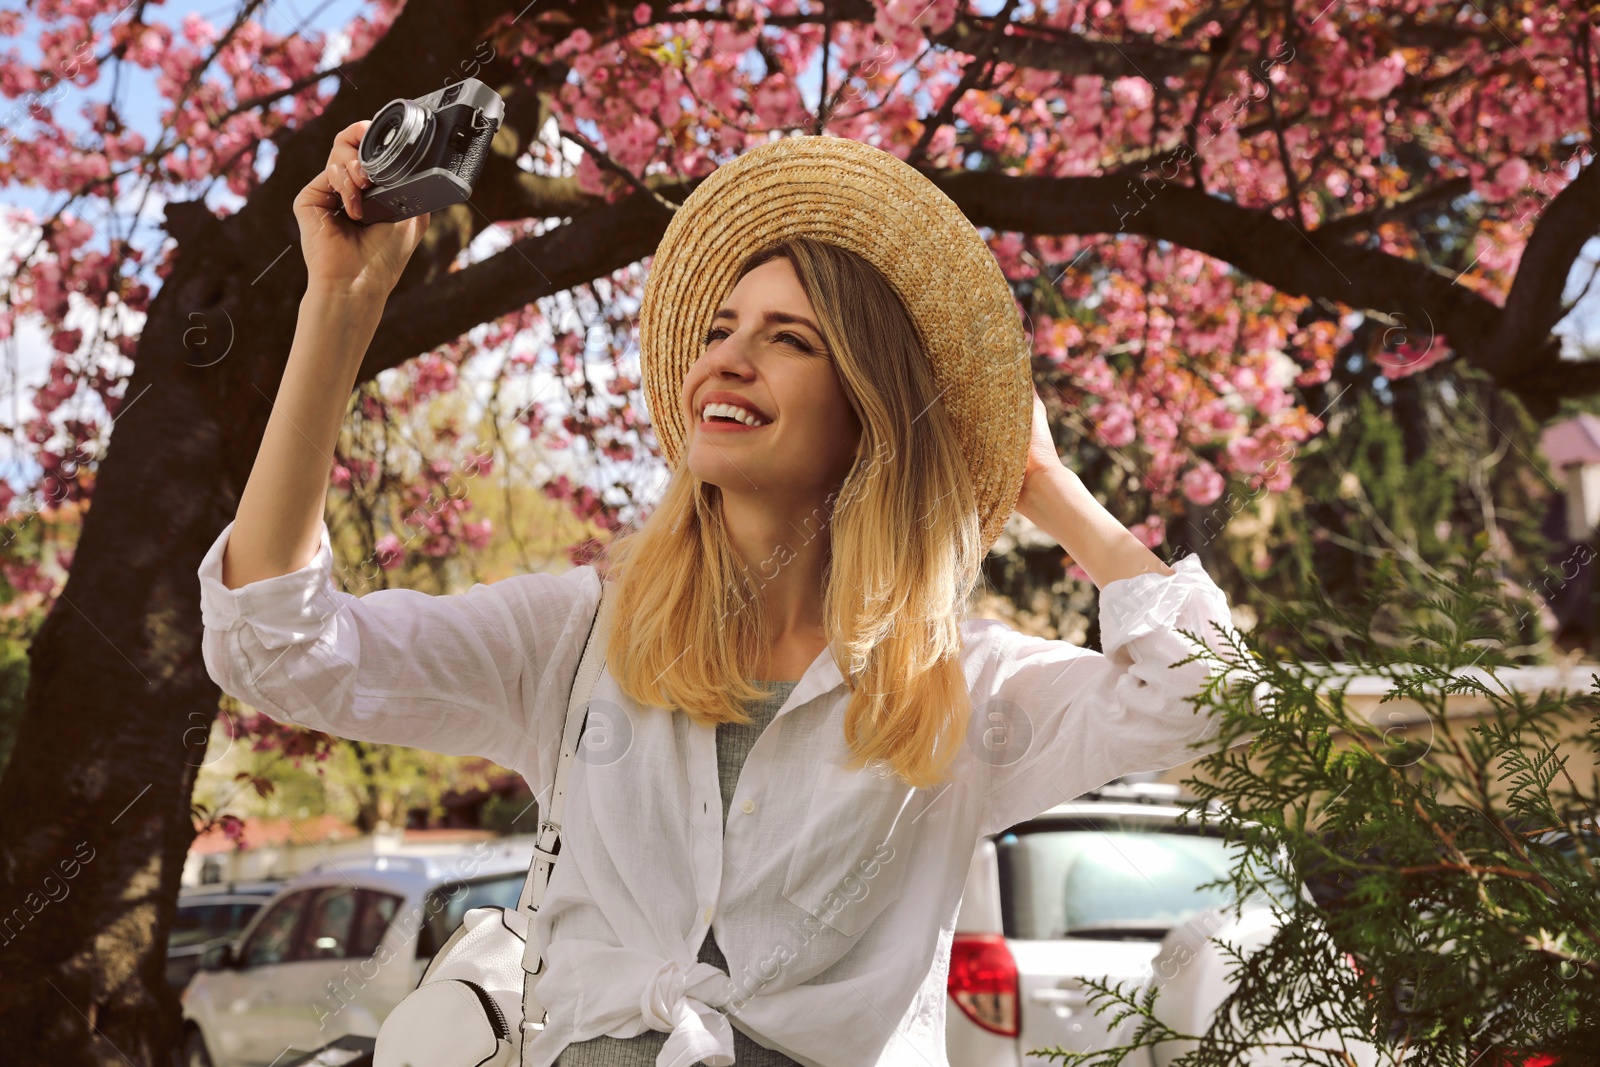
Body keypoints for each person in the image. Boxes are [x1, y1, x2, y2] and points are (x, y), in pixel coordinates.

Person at [198, 128, 1240, 1067]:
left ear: (870, 408)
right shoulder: (576, 635)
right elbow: (279, 649)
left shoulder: (955, 685)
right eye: (720, 328)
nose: (727, 359)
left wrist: (1047, 490)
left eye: (790, 338)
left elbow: (1211, 701)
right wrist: (341, 308)